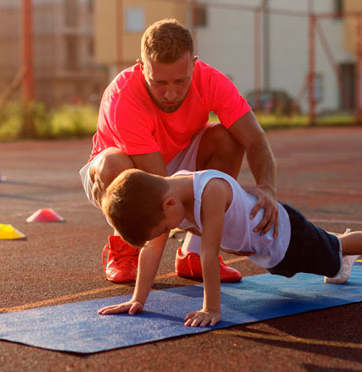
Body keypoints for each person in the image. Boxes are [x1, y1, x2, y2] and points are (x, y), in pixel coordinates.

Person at [80, 18, 279, 284]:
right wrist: (224, 225)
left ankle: (195, 254)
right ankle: (125, 247)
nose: (171, 93)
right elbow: (161, 190)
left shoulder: (211, 80)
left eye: (180, 81)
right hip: (124, 173)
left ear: (194, 65)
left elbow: (255, 140)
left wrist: (267, 187)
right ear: (142, 68)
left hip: (178, 157)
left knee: (228, 138)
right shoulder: (123, 97)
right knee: (113, 164)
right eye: (159, 82)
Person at [97, 169, 362, 327]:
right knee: (331, 258)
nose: (168, 233)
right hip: (270, 253)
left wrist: (212, 309)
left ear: (168, 204)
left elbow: (208, 253)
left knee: (335, 251)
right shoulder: (167, 200)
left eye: (165, 229)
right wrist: (137, 299)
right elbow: (151, 250)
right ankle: (343, 255)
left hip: (289, 235)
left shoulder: (210, 191)